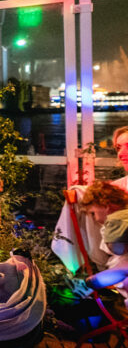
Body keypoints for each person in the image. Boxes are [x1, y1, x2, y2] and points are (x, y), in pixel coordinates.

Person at [53, 126, 128, 274]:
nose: (121, 154)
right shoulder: (118, 187)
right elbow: (104, 194)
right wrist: (80, 193)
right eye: (118, 148)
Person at [78, 181, 128, 307]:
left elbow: (117, 248)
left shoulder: (115, 219)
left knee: (122, 268)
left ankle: (93, 282)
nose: (94, 219)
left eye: (93, 213)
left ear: (105, 205)